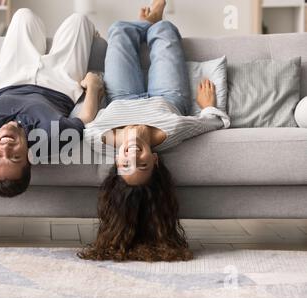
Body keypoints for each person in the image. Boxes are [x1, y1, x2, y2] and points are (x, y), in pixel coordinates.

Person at [79, 0, 230, 262]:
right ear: (155, 160)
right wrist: (207, 106)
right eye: (143, 164)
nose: (134, 156)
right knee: (165, 31)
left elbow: (83, 122)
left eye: (127, 165)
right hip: (168, 96)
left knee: (118, 30)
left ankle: (144, 23)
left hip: (121, 96)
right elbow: (213, 123)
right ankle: (153, 22)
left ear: (117, 161)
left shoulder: (98, 138)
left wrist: (92, 89)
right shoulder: (171, 131)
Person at [0, 9, 104, 198]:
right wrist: (93, 87)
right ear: (28, 159)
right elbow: (85, 119)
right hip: (59, 85)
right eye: (15, 157)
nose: (5, 148)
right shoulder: (51, 140)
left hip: (10, 79)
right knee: (79, 20)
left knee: (24, 15)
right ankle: (90, 34)